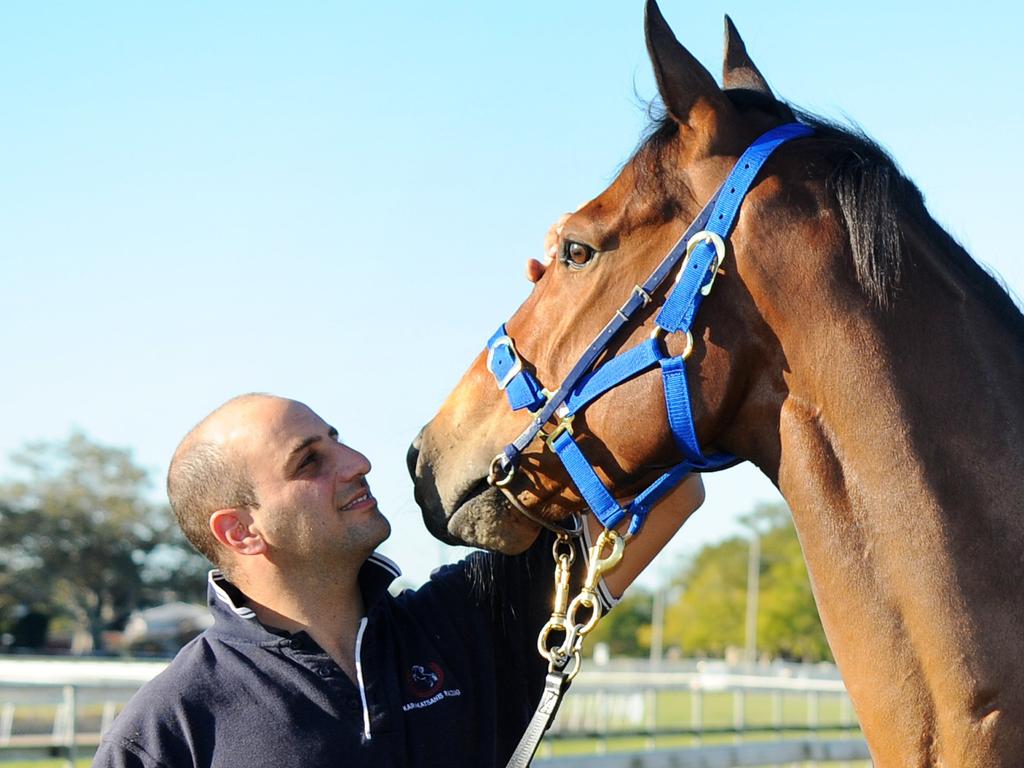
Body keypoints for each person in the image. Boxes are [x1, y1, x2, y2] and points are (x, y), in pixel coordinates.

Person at [92, 393, 703, 767]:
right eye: (310, 461)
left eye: (337, 441)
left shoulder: (471, 618)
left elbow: (668, 489)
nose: (357, 462)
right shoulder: (169, 728)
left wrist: (577, 304)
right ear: (240, 531)